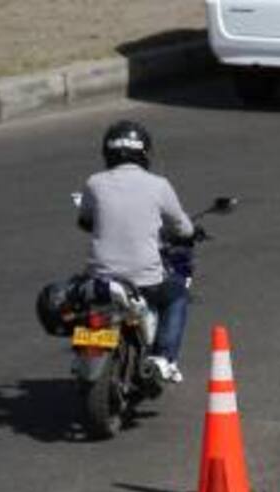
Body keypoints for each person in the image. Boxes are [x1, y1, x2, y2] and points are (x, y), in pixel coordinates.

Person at [77, 120, 197, 383]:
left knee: (83, 299)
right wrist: (189, 233)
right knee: (177, 295)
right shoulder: (159, 185)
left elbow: (85, 218)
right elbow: (183, 227)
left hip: (99, 278)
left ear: (107, 152)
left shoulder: (94, 183)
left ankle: (86, 350)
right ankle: (163, 357)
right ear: (145, 152)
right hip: (144, 280)